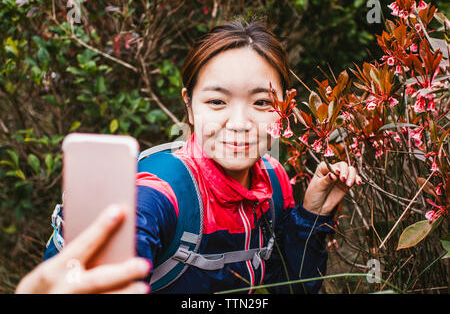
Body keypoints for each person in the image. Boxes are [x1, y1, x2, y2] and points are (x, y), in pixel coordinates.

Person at [16, 20, 361, 294]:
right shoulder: (157, 194)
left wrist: (311, 216)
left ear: (284, 108)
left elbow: (290, 286)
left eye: (261, 103)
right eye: (216, 102)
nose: (240, 125)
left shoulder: (272, 179)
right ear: (189, 106)